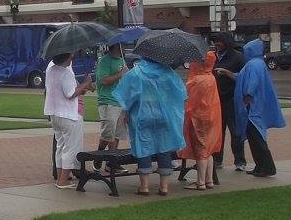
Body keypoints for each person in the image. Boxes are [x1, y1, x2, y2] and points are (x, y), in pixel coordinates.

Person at [113, 56, 186, 196]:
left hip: (142, 115)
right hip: (164, 115)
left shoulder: (136, 72)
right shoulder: (168, 72)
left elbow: (127, 95)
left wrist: (125, 111)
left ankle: (144, 186)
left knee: (143, 147)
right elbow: (180, 92)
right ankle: (164, 186)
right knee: (164, 147)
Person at [232, 39, 285, 177]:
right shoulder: (258, 63)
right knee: (254, 137)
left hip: (253, 108)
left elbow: (252, 82)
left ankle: (267, 167)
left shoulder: (254, 64)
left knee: (257, 138)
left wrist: (248, 96)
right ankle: (260, 166)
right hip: (255, 107)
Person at [43, 52, 93, 188]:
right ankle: (63, 180)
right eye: (71, 55)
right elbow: (70, 93)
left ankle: (60, 177)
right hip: (68, 114)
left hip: (54, 113)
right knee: (71, 147)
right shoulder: (66, 73)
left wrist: (82, 87)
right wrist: (86, 84)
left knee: (60, 146)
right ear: (67, 57)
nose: (73, 56)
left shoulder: (51, 69)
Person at [180, 51, 223, 190]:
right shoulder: (211, 77)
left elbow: (189, 101)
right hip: (211, 117)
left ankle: (200, 182)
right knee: (208, 149)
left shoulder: (196, 80)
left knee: (201, 150)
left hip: (198, 119)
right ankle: (208, 180)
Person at [210, 32, 248, 171]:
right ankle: (217, 160)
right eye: (214, 42)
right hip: (216, 100)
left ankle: (240, 161)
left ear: (226, 42)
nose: (216, 44)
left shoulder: (238, 57)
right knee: (218, 132)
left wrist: (229, 74)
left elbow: (246, 76)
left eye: (219, 41)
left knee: (235, 132)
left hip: (232, 100)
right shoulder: (213, 57)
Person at [93, 42, 129, 173]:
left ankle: (111, 162)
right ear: (116, 46)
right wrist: (120, 74)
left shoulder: (121, 61)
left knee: (117, 132)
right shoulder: (104, 61)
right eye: (122, 45)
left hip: (120, 101)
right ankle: (100, 153)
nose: (124, 47)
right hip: (108, 101)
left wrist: (127, 75)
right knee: (109, 132)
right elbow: (104, 80)